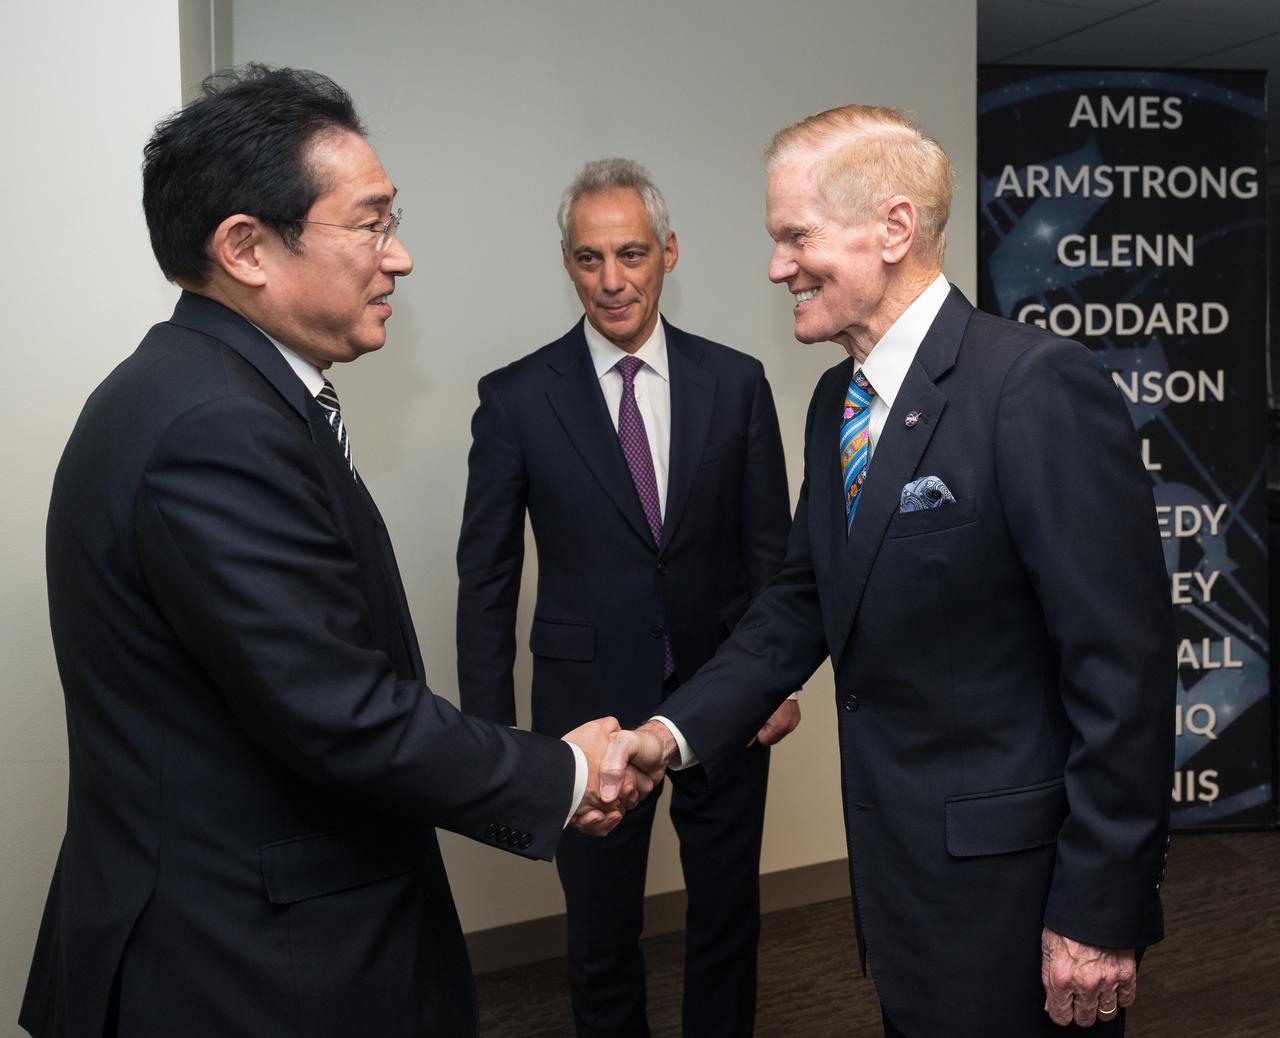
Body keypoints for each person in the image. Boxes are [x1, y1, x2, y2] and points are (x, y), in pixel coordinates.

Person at [20, 65, 643, 1038]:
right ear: (246, 248)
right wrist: (559, 776)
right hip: (244, 969)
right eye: (370, 224)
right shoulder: (211, 424)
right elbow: (337, 712)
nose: (397, 258)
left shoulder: (210, 392)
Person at [603, 105, 1175, 1038]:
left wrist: (1099, 909)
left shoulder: (1032, 387)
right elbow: (797, 606)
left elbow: (1124, 670)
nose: (778, 266)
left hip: (1024, 901)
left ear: (894, 230)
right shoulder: (839, 400)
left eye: (796, 238)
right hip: (903, 885)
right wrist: (666, 737)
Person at [456, 158, 797, 1036]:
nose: (613, 280)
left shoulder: (738, 383)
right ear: (568, 263)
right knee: (602, 934)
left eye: (632, 253)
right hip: (587, 719)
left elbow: (772, 556)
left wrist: (775, 684)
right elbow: (487, 582)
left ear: (669, 253)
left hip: (724, 703)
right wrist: (497, 746)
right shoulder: (516, 399)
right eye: (589, 258)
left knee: (727, 918)